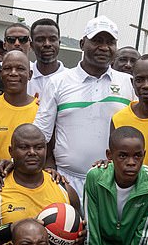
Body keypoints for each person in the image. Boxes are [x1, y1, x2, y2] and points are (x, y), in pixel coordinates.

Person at [34, 15, 135, 201]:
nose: (104, 47)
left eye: (110, 42)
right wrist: (49, 167)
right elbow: (42, 134)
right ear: (82, 44)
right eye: (97, 40)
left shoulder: (128, 83)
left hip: (115, 182)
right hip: (66, 181)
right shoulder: (58, 82)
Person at [0, 50, 38, 161]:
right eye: (8, 68)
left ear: (30, 75)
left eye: (20, 69)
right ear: (0, 73)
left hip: (27, 177)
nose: (13, 73)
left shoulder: (41, 110)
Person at [27, 18, 67, 101]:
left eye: (52, 39)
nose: (47, 44)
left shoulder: (71, 79)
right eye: (40, 40)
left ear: (59, 43)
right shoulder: (22, 77)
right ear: (31, 45)